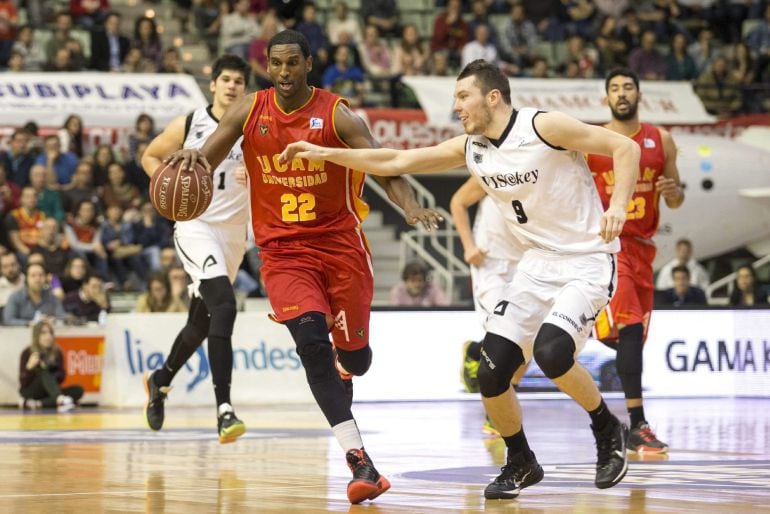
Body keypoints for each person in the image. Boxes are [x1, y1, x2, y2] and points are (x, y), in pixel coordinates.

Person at [279, 58, 641, 499]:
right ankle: (520, 460)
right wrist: (326, 154)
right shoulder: (472, 148)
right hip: (536, 264)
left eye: (463, 97)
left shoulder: (544, 126)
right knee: (490, 373)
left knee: (551, 351)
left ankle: (608, 429)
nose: (457, 108)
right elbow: (395, 158)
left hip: (586, 261)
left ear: (493, 97)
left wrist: (618, 205)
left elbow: (626, 149)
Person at [164, 30, 442, 504]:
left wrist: (409, 206)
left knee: (356, 358)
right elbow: (207, 160)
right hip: (283, 253)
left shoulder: (336, 113)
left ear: (309, 64)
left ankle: (348, 362)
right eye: (277, 64)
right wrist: (192, 163)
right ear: (267, 67)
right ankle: (361, 463)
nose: (285, 72)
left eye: (293, 63)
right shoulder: (251, 109)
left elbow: (383, 164)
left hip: (341, 249)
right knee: (312, 346)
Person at [140, 54, 252, 444]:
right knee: (225, 306)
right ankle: (224, 409)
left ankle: (160, 380)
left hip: (235, 234)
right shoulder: (190, 123)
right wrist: (168, 181)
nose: (232, 86)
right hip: (196, 226)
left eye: (239, 81)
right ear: (214, 84)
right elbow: (149, 155)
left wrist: (255, 173)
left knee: (199, 325)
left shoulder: (253, 126)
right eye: (226, 79)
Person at [586, 67, 684, 455]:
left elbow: (675, 199)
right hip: (611, 245)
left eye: (628, 87)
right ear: (606, 97)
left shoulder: (662, 139)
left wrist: (674, 191)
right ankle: (637, 424)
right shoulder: (593, 140)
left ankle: (578, 336)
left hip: (645, 246)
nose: (621, 93)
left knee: (632, 339)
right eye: (614, 88)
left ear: (639, 94)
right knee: (628, 331)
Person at [451, 177, 526, 436]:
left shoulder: (545, 171)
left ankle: (475, 351)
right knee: (505, 334)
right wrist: (468, 246)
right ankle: (495, 414)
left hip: (528, 263)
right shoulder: (494, 167)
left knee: (528, 340)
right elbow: (458, 202)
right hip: (491, 264)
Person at [19, 321, 84, 411]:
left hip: (51, 391)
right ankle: (60, 400)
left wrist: (52, 369)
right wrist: (29, 367)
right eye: (44, 333)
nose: (48, 336)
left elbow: (62, 377)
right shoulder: (27, 352)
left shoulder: (57, 352)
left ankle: (37, 403)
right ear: (36, 336)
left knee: (78, 390)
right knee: (43, 372)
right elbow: (23, 382)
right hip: (32, 391)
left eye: (50, 333)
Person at [3, 262, 66, 326]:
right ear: (26, 278)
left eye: (41, 275)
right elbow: (8, 320)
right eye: (33, 275)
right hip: (20, 334)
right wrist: (29, 323)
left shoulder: (52, 297)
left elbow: (62, 318)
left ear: (45, 278)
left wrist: (54, 320)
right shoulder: (15, 297)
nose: (37, 279)